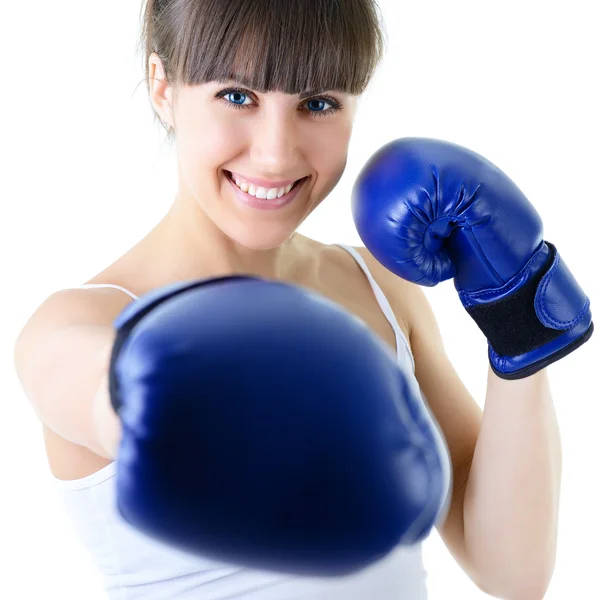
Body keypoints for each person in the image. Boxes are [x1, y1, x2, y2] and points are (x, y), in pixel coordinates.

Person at [13, 0, 590, 598]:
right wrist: (160, 410)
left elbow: (514, 573)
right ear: (164, 88)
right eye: (237, 96)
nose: (276, 153)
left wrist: (519, 320)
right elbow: (82, 383)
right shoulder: (81, 320)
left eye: (318, 104)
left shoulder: (377, 286)